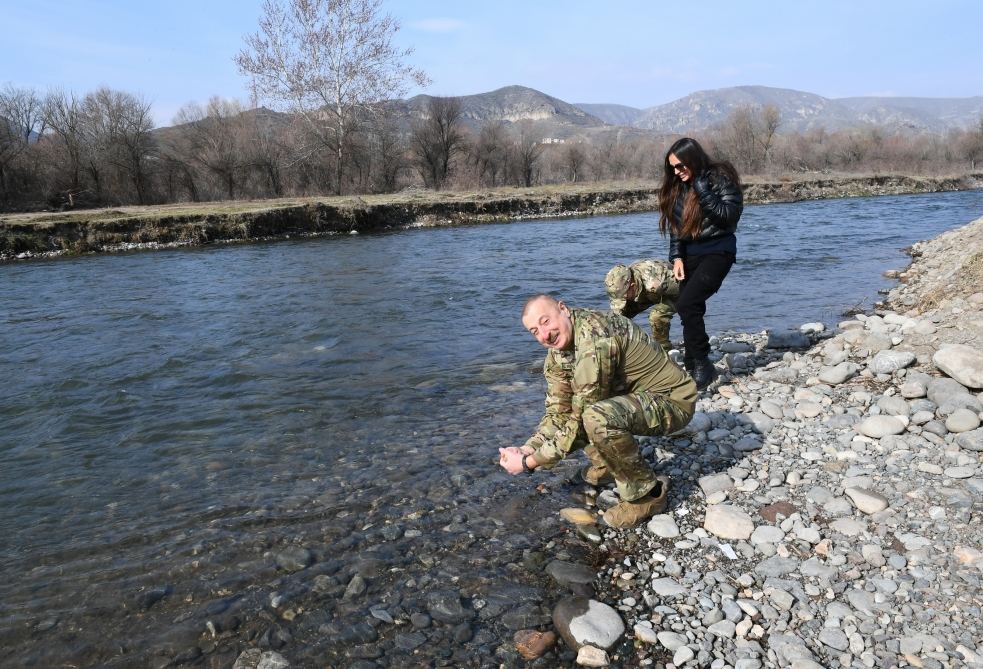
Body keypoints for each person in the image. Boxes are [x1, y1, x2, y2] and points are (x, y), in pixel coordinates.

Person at [499, 295, 697, 528]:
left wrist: (529, 462)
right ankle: (606, 466)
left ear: (563, 308)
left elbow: (580, 422)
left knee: (594, 416)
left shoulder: (595, 336)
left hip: (672, 401)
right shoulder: (557, 357)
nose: (544, 335)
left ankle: (646, 495)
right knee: (585, 408)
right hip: (634, 399)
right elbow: (558, 412)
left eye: (545, 322)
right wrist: (528, 447)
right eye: (534, 331)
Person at [658, 137, 743, 390]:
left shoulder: (719, 178)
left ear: (693, 159)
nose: (677, 171)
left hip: (719, 250)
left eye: (681, 166)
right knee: (687, 310)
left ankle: (703, 362)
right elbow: (676, 228)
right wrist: (677, 257)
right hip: (690, 254)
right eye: (673, 167)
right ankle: (692, 361)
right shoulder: (677, 186)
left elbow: (728, 217)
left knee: (688, 303)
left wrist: (702, 189)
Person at [605, 260, 680, 352]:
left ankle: (664, 350)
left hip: (677, 291)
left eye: (624, 297)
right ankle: (622, 349)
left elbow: (687, 292)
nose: (624, 300)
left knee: (656, 316)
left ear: (632, 286)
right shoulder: (619, 284)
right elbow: (618, 314)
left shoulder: (656, 282)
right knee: (617, 319)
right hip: (645, 292)